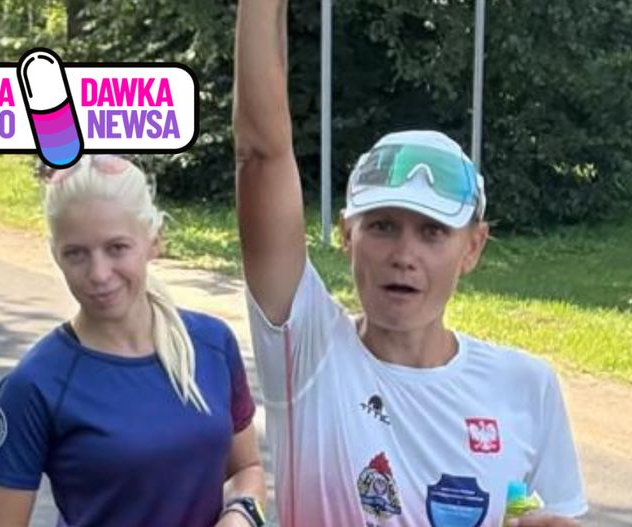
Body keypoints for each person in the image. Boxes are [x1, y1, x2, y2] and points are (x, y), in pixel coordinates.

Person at [233, 2, 587, 526]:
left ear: (473, 247)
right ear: (347, 236)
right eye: (382, 226)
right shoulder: (306, 352)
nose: (404, 255)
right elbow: (261, 154)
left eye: (432, 232)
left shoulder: (526, 387)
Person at [0, 155, 266, 527]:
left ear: (154, 241)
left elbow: (248, 469)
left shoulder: (212, 345)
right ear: (55, 255)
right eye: (76, 253)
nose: (98, 273)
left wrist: (241, 515)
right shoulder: (34, 385)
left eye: (117, 248)